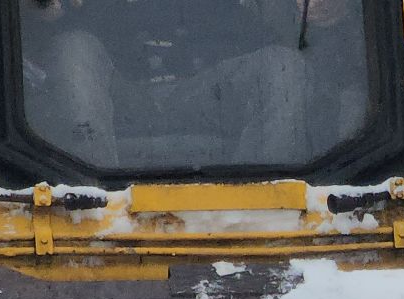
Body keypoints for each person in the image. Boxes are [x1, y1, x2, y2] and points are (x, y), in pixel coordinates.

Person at [19, 0, 367, 174]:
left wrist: (341, 11)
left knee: (282, 64)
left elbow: (327, 58)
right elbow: (20, 52)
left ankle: (270, 204)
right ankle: (90, 207)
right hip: (117, 91)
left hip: (214, 90)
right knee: (72, 50)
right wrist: (41, 13)